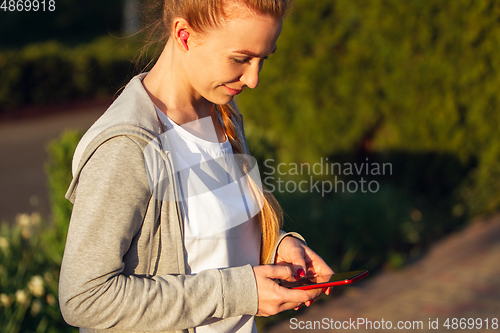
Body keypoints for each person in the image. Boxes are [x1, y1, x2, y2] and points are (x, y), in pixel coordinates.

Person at [58, 0, 333, 332]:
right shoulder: (126, 146)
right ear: (184, 35)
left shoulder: (222, 115)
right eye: (241, 58)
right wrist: (239, 292)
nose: (253, 78)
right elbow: (84, 299)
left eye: (264, 59)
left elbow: (215, 244)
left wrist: (277, 248)